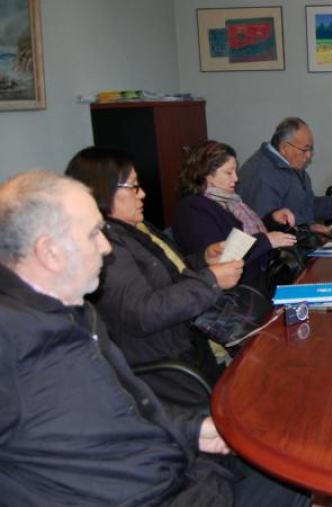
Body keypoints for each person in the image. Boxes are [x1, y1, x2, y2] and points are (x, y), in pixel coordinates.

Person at [0, 171, 309, 506]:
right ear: (50, 253)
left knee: (296, 450)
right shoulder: (12, 344)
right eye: (93, 235)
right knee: (298, 471)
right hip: (159, 494)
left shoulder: (77, 311)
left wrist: (195, 430)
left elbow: (130, 408)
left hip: (181, 466)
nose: (106, 248)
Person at [66, 146, 243, 409]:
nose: (143, 194)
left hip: (192, 344)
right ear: (104, 190)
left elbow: (167, 273)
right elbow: (144, 312)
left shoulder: (136, 227)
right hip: (167, 368)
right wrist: (210, 280)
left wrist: (203, 259)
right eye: (134, 187)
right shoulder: (105, 246)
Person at [173, 140, 298, 294]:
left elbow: (244, 233)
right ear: (206, 174)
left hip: (260, 280)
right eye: (228, 172)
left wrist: (273, 220)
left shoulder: (228, 201)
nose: (236, 178)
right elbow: (221, 257)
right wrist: (267, 241)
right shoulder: (193, 209)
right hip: (240, 294)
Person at [237, 117, 332, 234]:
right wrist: (308, 230)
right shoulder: (262, 175)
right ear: (284, 147)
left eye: (310, 149)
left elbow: (303, 205)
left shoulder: (290, 164)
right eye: (304, 150)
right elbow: (266, 226)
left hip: (298, 243)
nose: (308, 155)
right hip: (280, 249)